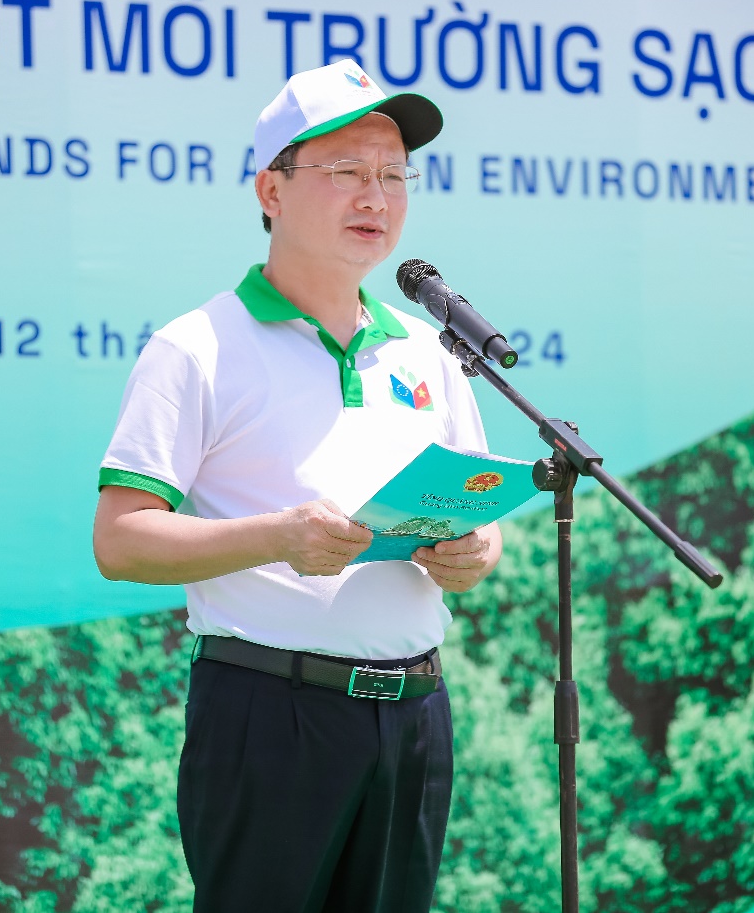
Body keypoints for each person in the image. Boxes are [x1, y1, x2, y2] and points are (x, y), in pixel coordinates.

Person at [91, 59, 503, 913]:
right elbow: (121, 538)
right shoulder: (197, 346)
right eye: (346, 171)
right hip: (268, 716)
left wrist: (470, 551)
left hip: (415, 712)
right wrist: (279, 536)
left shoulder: (427, 351)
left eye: (393, 175)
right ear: (269, 190)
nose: (375, 196)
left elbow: (476, 522)